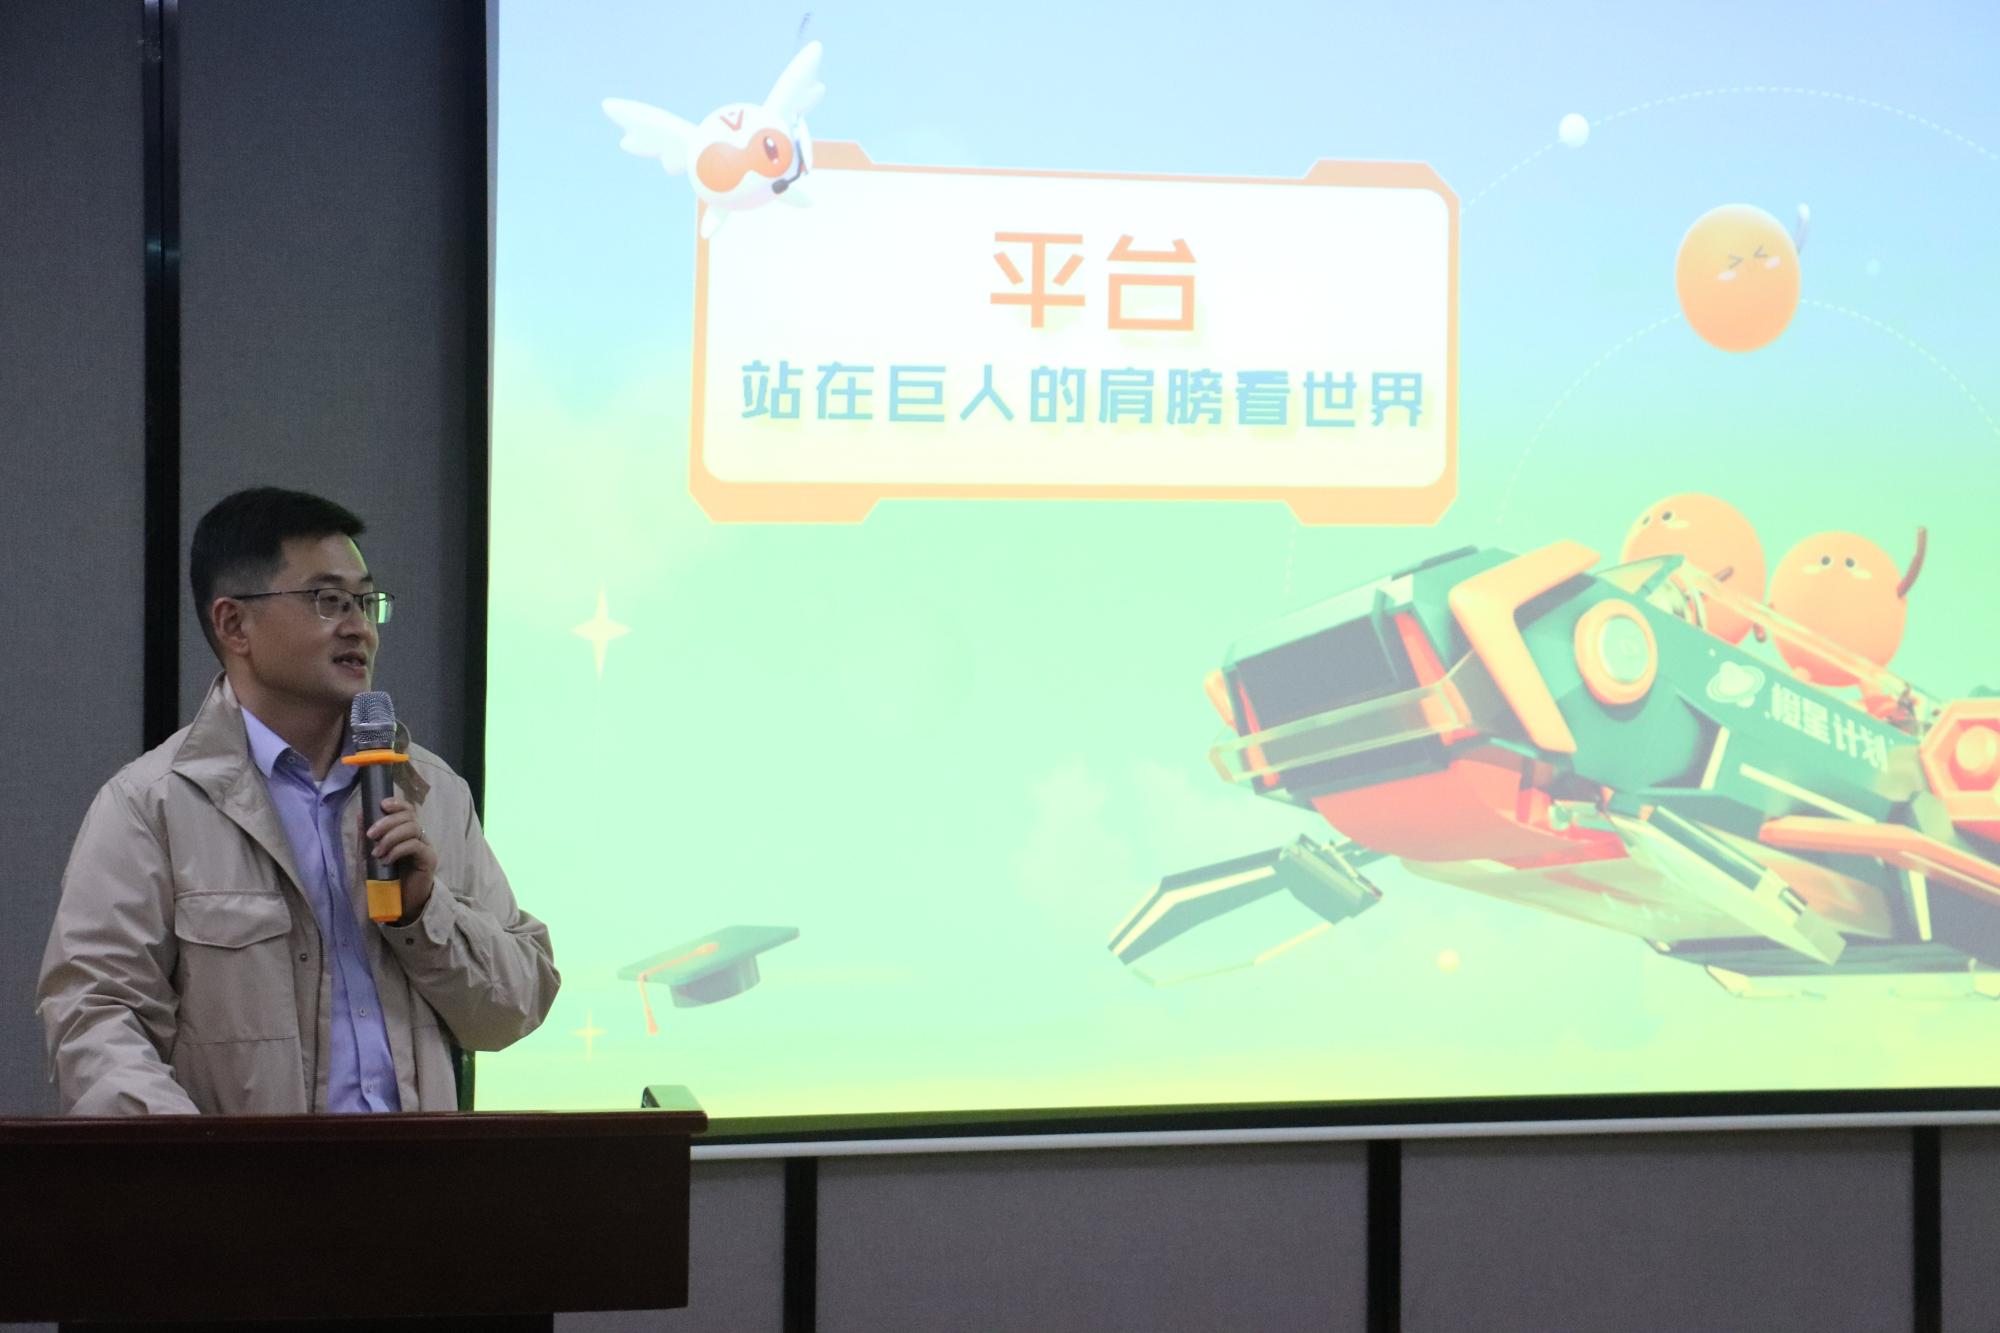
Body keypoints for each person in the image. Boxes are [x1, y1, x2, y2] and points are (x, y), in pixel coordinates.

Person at [37, 487, 558, 1114]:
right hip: (240, 1176)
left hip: (417, 1172)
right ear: (234, 624)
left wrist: (425, 911)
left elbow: (513, 1009)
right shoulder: (152, 805)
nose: (359, 627)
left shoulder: (426, 788)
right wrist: (203, 1162)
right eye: (328, 600)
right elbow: (95, 1021)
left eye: (366, 602)